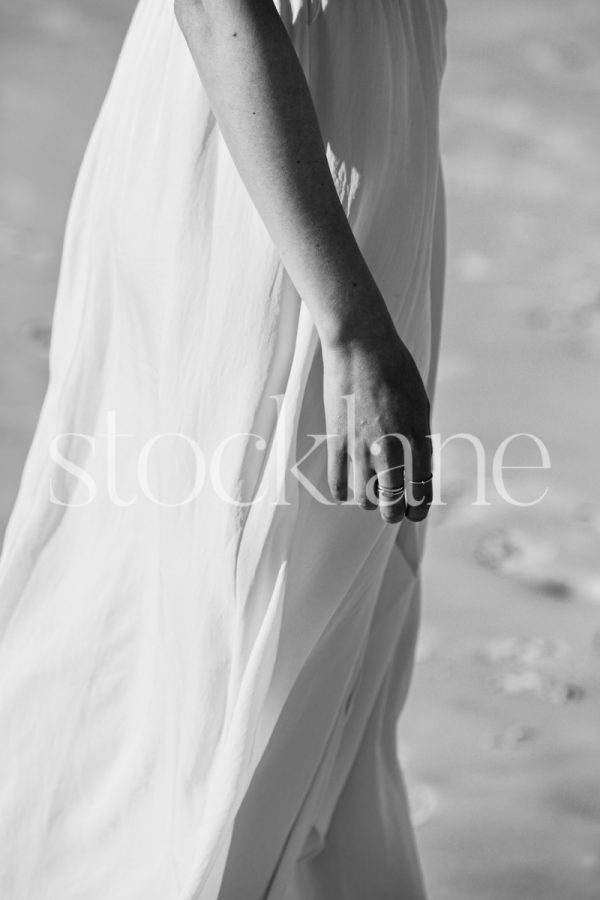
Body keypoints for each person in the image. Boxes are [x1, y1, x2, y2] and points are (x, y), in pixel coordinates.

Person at [0, 0, 447, 897]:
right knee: (228, 613)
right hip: (274, 157)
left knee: (335, 620)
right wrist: (349, 321)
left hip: (374, 119)